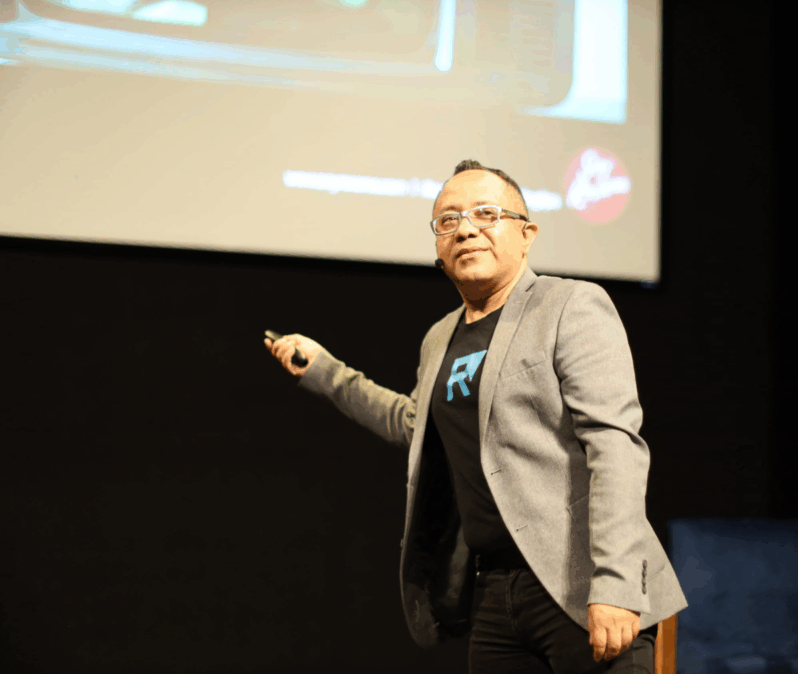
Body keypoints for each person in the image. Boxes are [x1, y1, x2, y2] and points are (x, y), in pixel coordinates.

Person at [265, 160, 687, 673]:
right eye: (449, 220)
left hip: (581, 581)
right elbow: (413, 424)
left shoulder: (570, 304)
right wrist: (326, 371)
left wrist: (616, 582)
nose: (465, 229)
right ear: (439, 250)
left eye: (486, 213)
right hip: (494, 591)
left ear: (527, 234)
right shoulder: (440, 336)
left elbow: (615, 444)